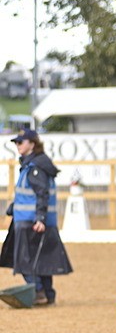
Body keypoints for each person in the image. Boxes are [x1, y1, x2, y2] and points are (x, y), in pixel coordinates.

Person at [1, 128, 73, 305]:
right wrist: (14, 207)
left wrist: (40, 218)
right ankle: (48, 294)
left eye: (21, 142)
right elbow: (32, 194)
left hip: (30, 220)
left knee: (24, 260)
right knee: (41, 259)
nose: (18, 145)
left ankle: (38, 292)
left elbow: (42, 194)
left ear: (32, 144)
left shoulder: (35, 168)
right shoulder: (36, 165)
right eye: (16, 142)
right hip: (31, 218)